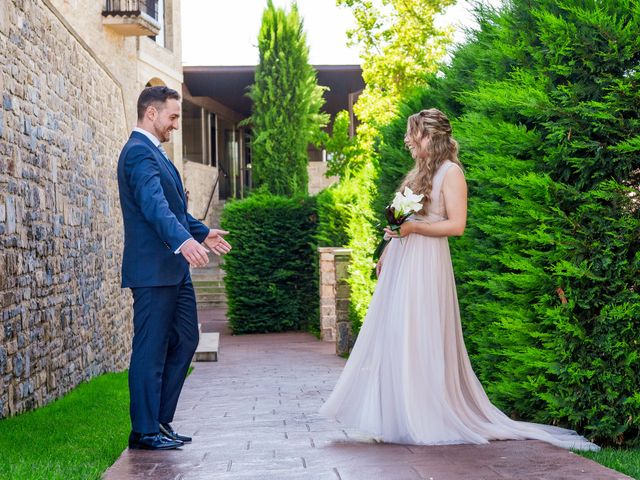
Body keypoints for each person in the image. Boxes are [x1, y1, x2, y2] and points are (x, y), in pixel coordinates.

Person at [319, 108, 598, 451]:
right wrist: (390, 248)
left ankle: (428, 415)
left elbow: (457, 225)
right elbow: (399, 224)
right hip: (405, 261)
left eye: (415, 134)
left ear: (431, 138)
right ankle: (400, 414)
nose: (408, 140)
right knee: (400, 333)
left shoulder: (451, 173)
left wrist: (414, 228)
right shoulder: (420, 173)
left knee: (423, 333)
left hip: (428, 264)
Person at [117, 86, 231, 450]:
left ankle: (159, 422)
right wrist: (183, 243)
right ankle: (144, 431)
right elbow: (154, 207)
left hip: (173, 271)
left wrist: (202, 232)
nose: (176, 124)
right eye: (173, 116)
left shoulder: (156, 154)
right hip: (153, 272)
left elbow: (176, 210)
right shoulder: (137, 153)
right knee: (150, 349)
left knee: (186, 339)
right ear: (151, 114)